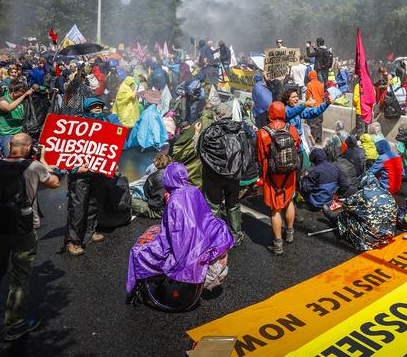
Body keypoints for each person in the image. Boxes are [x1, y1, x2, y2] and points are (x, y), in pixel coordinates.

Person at [0, 133, 61, 341]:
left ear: (10, 145)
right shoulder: (33, 166)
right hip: (24, 227)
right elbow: (54, 183)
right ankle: (15, 324)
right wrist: (44, 162)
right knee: (19, 277)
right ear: (28, 147)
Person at [126, 163, 234, 309]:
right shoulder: (194, 190)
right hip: (207, 240)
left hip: (188, 249)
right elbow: (204, 217)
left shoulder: (174, 200)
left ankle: (138, 289)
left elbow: (172, 236)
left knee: (138, 252)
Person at [64, 98, 121, 256]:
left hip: (98, 172)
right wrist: (74, 168)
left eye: (99, 106)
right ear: (87, 109)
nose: (97, 109)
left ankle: (90, 232)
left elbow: (113, 143)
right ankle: (73, 241)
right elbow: (66, 149)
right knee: (78, 208)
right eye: (94, 107)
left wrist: (112, 162)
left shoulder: (107, 122)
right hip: (80, 174)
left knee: (94, 204)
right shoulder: (78, 126)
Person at [199, 106, 259, 246]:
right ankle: (236, 235)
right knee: (233, 205)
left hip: (213, 177)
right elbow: (247, 154)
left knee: (213, 206)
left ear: (217, 116)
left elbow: (201, 152)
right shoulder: (240, 130)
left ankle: (214, 237)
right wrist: (239, 172)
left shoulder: (209, 132)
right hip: (234, 177)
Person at [257, 101, 301, 256]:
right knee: (289, 201)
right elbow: (297, 148)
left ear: (270, 113)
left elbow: (261, 156)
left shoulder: (263, 132)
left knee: (275, 209)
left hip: (272, 175)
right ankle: (289, 233)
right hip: (289, 173)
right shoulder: (292, 129)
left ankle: (278, 244)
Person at [131, 153, 173, 219]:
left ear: (157, 162)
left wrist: (149, 201)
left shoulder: (155, 177)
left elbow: (156, 204)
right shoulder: (173, 173)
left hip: (161, 211)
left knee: (131, 201)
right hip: (171, 204)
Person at [0, 83, 33, 156]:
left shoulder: (23, 100)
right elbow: (8, 108)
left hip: (20, 132)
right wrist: (24, 95)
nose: (22, 94)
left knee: (22, 155)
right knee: (9, 155)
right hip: (7, 134)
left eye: (24, 92)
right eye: (21, 92)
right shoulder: (2, 100)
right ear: (14, 91)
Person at [305, 70, 325, 144]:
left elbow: (308, 97)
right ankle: (319, 140)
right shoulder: (320, 84)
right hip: (320, 107)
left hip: (313, 108)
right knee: (319, 124)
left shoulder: (309, 84)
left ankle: (313, 142)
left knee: (312, 125)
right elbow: (323, 96)